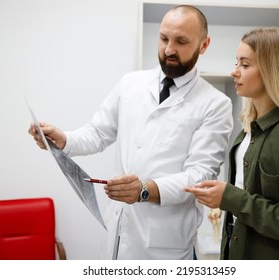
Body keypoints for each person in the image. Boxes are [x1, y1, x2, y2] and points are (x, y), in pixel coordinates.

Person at [28, 5, 233, 260]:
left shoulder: (215, 104)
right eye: (163, 38)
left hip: (165, 248)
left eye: (181, 41)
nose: (169, 49)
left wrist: (145, 189)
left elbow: (200, 176)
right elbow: (97, 133)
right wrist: (64, 139)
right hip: (118, 234)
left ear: (204, 45)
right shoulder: (131, 84)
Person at [184, 27, 279, 260]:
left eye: (244, 65)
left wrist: (231, 198)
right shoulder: (246, 132)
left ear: (273, 71)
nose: (234, 72)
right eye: (237, 63)